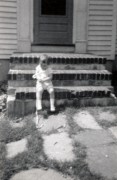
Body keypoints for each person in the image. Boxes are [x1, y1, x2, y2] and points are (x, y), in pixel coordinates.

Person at [32, 54, 55, 127]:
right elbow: (37, 74)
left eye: (45, 65)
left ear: (48, 64)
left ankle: (52, 105)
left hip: (48, 83)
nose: (43, 67)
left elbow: (51, 77)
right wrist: (39, 78)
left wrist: (45, 79)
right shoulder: (38, 68)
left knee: (51, 91)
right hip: (40, 83)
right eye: (42, 65)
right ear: (39, 63)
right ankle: (39, 105)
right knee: (39, 91)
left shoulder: (49, 69)